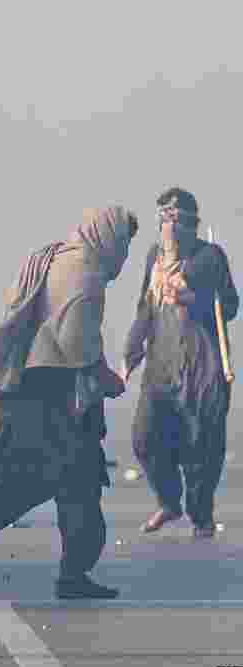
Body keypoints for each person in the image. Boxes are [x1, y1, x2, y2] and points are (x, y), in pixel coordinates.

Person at [0, 207, 139, 599]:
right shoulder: (86, 274)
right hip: (58, 389)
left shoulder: (61, 257)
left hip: (38, 386)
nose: (125, 253)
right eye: (125, 242)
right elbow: (76, 341)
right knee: (50, 479)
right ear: (109, 237)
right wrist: (105, 377)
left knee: (70, 483)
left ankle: (72, 575)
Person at [121, 188, 237, 538]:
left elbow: (226, 304)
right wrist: (131, 347)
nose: (169, 225)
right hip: (162, 366)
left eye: (176, 218)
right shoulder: (153, 258)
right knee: (145, 439)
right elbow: (146, 305)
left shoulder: (210, 255)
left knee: (203, 447)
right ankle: (169, 502)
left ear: (190, 223)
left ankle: (201, 515)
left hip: (203, 368)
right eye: (164, 217)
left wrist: (187, 291)